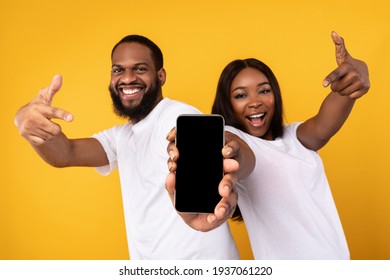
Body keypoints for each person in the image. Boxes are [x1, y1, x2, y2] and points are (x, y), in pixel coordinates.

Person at [14, 35, 241, 259]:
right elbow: (66, 154)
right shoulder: (121, 136)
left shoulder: (173, 114)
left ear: (160, 76)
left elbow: (185, 132)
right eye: (118, 70)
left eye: (140, 69)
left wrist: (186, 145)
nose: (128, 78)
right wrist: (29, 123)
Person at [166, 32, 370, 259]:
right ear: (228, 104)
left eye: (264, 90)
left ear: (275, 94)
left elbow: (326, 120)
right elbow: (240, 155)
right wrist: (221, 150)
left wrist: (358, 71)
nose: (255, 102)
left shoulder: (296, 137)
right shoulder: (234, 137)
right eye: (240, 95)